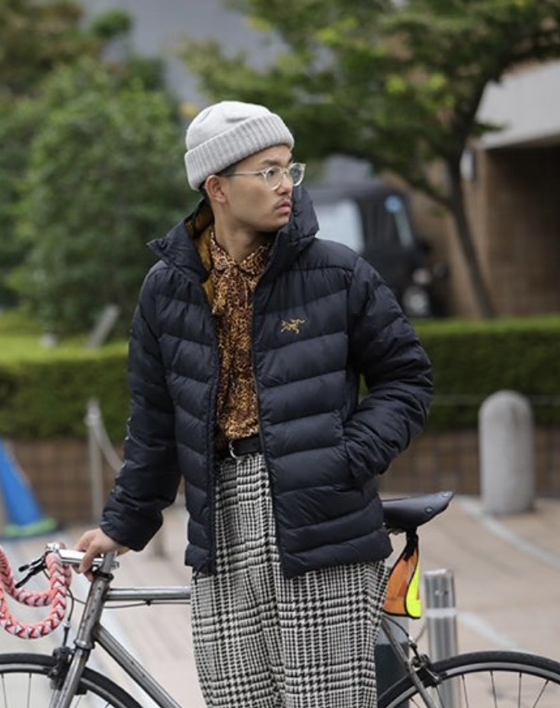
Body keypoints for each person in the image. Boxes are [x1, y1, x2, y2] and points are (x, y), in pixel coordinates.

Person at [74, 101, 434, 708]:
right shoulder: (167, 291)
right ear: (216, 187)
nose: (284, 186)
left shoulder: (336, 273)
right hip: (220, 524)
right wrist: (123, 526)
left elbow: (407, 379)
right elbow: (157, 424)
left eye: (288, 170)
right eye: (265, 171)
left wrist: (345, 458)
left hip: (320, 520)